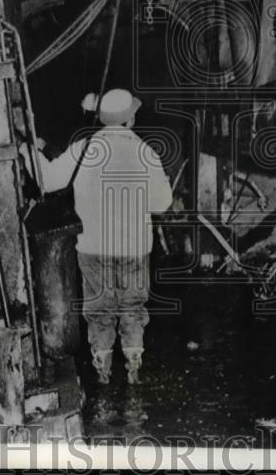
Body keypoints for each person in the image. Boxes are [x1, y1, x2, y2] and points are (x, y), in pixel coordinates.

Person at [36, 88, 172, 385]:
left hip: (93, 246)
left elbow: (46, 181)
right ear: (130, 119)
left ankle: (103, 370)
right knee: (132, 307)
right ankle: (134, 365)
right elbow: (162, 203)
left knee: (99, 310)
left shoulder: (84, 149)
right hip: (133, 247)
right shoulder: (145, 151)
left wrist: (29, 149)